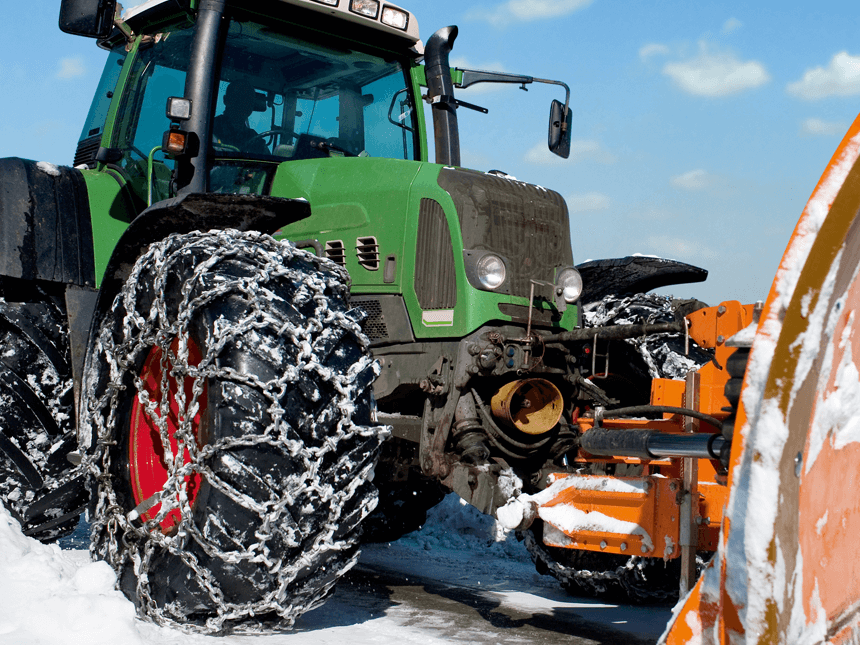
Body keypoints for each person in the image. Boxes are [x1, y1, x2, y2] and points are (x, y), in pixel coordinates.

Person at [212, 79, 270, 155]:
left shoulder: (254, 137)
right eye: (239, 98)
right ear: (226, 100)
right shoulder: (211, 129)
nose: (244, 104)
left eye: (249, 100)